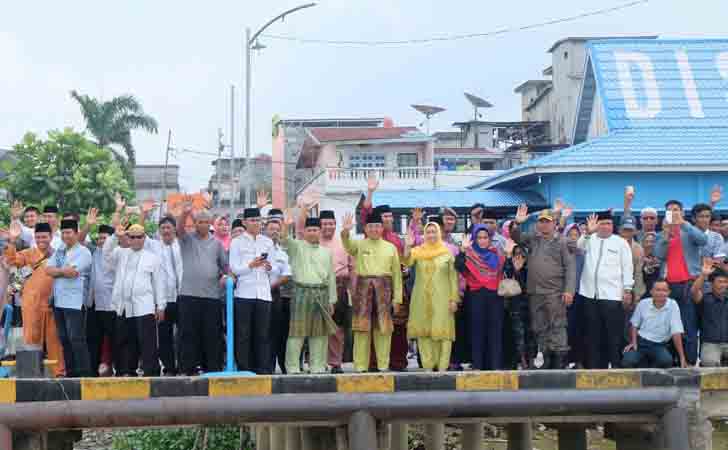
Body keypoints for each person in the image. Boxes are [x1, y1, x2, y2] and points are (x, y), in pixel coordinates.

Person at [511, 206, 576, 369]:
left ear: (554, 223)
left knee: (558, 326)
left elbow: (570, 267)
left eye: (547, 222)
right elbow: (517, 237)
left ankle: (559, 362)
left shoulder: (562, 241)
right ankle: (545, 358)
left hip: (555, 293)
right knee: (540, 327)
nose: (544, 225)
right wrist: (517, 223)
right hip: (536, 293)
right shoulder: (533, 238)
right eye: (541, 222)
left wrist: (569, 290)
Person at [341, 211, 403, 372]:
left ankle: (383, 366)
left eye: (377, 226)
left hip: (385, 290)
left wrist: (398, 299)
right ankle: (360, 366)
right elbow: (347, 244)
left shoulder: (391, 248)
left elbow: (397, 274)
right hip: (363, 290)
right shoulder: (360, 245)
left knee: (383, 330)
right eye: (371, 226)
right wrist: (346, 231)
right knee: (361, 330)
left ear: (382, 228)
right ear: (366, 229)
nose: (374, 229)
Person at [3, 222, 65, 377]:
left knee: (55, 342)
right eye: (37, 237)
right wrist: (11, 241)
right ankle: (31, 374)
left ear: (51, 237)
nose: (41, 240)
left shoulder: (60, 254)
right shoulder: (28, 253)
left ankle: (58, 374)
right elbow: (11, 260)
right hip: (31, 304)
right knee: (31, 340)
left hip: (53, 303)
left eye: (44, 236)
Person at [104, 224, 166, 376]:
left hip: (144, 306)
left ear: (144, 238)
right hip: (124, 306)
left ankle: (151, 373)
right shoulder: (120, 253)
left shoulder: (152, 258)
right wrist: (114, 236)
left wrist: (161, 306)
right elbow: (105, 253)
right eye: (132, 237)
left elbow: (159, 283)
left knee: (147, 343)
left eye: (139, 237)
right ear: (128, 238)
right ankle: (127, 372)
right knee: (125, 342)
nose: (136, 240)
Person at [360, 174, 408, 371]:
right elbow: (366, 213)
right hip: (371, 289)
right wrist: (370, 192)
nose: (388, 219)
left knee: (396, 327)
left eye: (390, 216)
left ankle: (397, 362)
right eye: (384, 217)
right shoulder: (369, 236)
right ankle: (372, 363)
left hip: (396, 287)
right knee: (372, 327)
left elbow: (404, 261)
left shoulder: (397, 239)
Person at [280, 215, 337, 374]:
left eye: (315, 230)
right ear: (304, 232)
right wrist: (286, 225)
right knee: (297, 332)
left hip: (321, 293)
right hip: (301, 292)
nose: (313, 233)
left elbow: (331, 277)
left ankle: (317, 366)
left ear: (320, 232)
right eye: (310, 230)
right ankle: (291, 367)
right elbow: (284, 239)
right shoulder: (297, 247)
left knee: (319, 333)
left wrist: (332, 300)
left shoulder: (327, 252)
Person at [654, 199, 708, 366]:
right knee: (668, 326)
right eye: (670, 210)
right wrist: (665, 235)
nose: (674, 212)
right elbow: (659, 255)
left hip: (688, 284)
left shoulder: (689, 230)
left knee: (689, 325)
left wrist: (683, 223)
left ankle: (691, 361)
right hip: (668, 286)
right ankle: (672, 361)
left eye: (676, 209)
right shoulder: (662, 233)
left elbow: (702, 240)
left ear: (682, 212)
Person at [578, 212, 634, 369]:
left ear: (613, 226)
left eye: (608, 223)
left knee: (613, 335)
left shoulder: (621, 243)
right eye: (602, 223)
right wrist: (588, 233)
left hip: (612, 296)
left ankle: (615, 366)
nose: (605, 226)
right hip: (590, 295)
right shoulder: (590, 239)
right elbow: (579, 247)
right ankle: (596, 367)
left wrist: (628, 290)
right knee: (593, 334)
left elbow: (628, 267)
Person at [176, 206, 228, 375]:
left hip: (211, 297)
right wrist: (185, 213)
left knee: (212, 335)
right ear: (195, 223)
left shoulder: (217, 244)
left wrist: (227, 276)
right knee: (188, 334)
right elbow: (178, 229)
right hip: (188, 295)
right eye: (199, 222)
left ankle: (212, 368)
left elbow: (225, 266)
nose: (203, 225)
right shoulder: (187, 239)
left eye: (206, 222)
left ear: (211, 223)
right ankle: (187, 368)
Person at [399, 222, 458, 371]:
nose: (431, 235)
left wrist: (454, 299)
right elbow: (406, 261)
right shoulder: (417, 252)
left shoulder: (447, 253)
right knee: (424, 334)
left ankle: (443, 368)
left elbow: (453, 278)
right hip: (421, 299)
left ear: (439, 233)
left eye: (434, 232)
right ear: (424, 235)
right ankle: (428, 368)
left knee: (443, 334)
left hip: (443, 299)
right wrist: (407, 246)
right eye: (428, 232)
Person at [305, 209, 354, 375]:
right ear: (319, 225)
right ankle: (317, 362)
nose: (328, 226)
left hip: (339, 288)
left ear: (335, 225)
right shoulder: (312, 241)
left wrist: (352, 289)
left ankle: (335, 363)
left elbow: (352, 266)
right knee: (316, 328)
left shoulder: (343, 242)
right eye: (325, 223)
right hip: (315, 289)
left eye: (331, 223)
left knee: (336, 329)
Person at [229, 208, 275, 374]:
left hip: (263, 293)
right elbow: (234, 268)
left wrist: (269, 267)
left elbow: (274, 267)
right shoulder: (237, 242)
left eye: (258, 220)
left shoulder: (267, 242)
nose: (256, 223)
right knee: (243, 334)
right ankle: (244, 368)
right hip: (244, 293)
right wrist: (250, 265)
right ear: (244, 222)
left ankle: (262, 368)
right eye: (252, 220)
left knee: (263, 334)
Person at [45, 219, 93, 377]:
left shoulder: (84, 252)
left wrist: (58, 271)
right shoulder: (60, 250)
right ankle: (71, 373)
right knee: (64, 340)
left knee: (76, 339)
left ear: (76, 233)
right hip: (59, 301)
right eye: (63, 233)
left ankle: (84, 373)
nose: (66, 236)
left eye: (69, 233)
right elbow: (48, 269)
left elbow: (73, 273)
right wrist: (62, 271)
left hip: (75, 302)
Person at [455, 225, 505, 370]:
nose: (482, 241)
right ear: (474, 239)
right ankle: (477, 365)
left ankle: (495, 365)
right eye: (479, 238)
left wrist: (508, 256)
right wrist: (463, 251)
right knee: (477, 331)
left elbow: (506, 271)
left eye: (485, 237)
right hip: (476, 295)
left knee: (495, 331)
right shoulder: (469, 255)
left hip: (495, 297)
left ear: (490, 239)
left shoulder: (497, 254)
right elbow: (458, 266)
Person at [144, 216, 183, 376]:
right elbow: (142, 234)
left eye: (169, 227)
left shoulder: (182, 245)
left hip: (182, 297)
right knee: (165, 336)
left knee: (184, 334)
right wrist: (143, 213)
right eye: (163, 228)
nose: (166, 231)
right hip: (163, 300)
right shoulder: (153, 246)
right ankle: (169, 368)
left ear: (174, 229)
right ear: (159, 231)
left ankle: (185, 366)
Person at [622, 279, 687, 369]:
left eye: (664, 290)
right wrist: (633, 342)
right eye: (657, 290)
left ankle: (649, 373)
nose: (660, 293)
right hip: (641, 342)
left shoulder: (673, 305)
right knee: (627, 361)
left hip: (659, 345)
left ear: (669, 292)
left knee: (666, 361)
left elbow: (676, 332)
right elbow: (634, 325)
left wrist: (682, 357)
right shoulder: (643, 303)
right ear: (651, 292)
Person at [86, 224, 117, 376]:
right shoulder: (93, 252)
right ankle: (93, 370)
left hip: (113, 305)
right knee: (94, 339)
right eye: (99, 238)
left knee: (115, 339)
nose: (101, 241)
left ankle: (119, 368)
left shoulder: (117, 253)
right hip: (95, 304)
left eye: (104, 238)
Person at [265, 218, 293, 374]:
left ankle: (283, 365)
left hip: (275, 294)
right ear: (265, 230)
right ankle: (265, 366)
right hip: (257, 294)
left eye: (277, 229)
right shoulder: (259, 250)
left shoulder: (282, 252)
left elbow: (286, 274)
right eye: (271, 229)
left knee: (278, 332)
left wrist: (271, 286)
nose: (274, 231)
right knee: (264, 332)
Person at [691, 262, 728, 367]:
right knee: (710, 364)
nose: (723, 285)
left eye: (725, 282)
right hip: (710, 344)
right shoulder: (705, 299)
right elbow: (694, 291)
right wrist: (703, 275)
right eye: (720, 282)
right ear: (712, 283)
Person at [563, 223, 586, 368]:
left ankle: (578, 360)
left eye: (575, 235)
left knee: (578, 329)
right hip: (563, 295)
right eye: (569, 235)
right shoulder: (560, 253)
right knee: (565, 329)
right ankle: (564, 360)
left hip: (580, 295)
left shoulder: (583, 254)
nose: (572, 238)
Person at [642, 232, 661, 296]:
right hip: (643, 292)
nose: (649, 244)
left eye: (652, 241)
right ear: (643, 243)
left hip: (659, 293)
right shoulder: (639, 258)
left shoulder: (661, 258)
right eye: (646, 241)